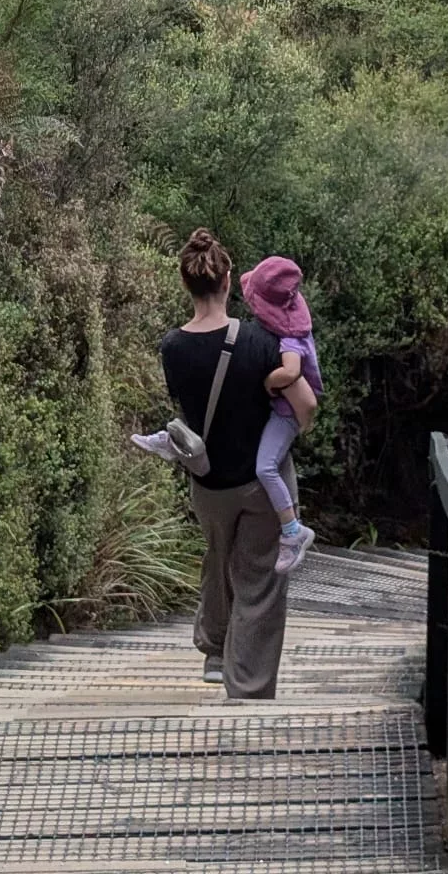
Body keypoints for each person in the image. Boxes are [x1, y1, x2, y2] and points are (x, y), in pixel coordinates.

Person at [135, 226, 316, 698]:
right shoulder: (259, 341)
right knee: (260, 578)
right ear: (229, 280)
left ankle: (215, 651)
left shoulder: (172, 348)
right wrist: (292, 429)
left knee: (218, 558)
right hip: (262, 483)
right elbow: (306, 404)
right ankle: (248, 691)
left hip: (209, 482)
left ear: (186, 283)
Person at [241, 255, 322, 575]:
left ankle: (292, 531)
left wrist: (268, 382)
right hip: (286, 409)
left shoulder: (289, 338)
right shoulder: (291, 325)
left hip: (286, 413)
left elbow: (291, 371)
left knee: (265, 467)